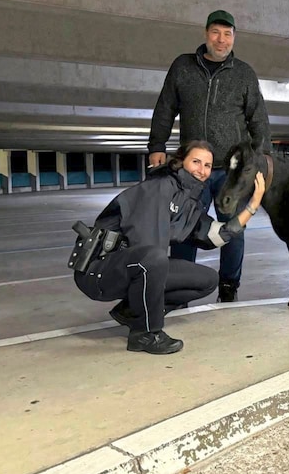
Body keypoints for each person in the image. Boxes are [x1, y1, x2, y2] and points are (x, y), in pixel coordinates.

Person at [71, 141, 265, 354]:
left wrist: (253, 205)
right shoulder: (160, 187)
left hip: (136, 265)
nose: (201, 170)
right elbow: (145, 245)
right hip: (99, 270)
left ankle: (131, 312)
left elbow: (214, 235)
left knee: (206, 280)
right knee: (154, 257)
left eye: (207, 165)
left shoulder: (190, 202)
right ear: (181, 162)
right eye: (196, 162)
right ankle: (145, 334)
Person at [148, 10, 271, 303]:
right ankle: (178, 288)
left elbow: (258, 119)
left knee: (233, 229)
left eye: (228, 34)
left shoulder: (244, 73)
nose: (222, 39)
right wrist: (156, 146)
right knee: (183, 229)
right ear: (206, 34)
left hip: (231, 171)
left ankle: (229, 286)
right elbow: (165, 108)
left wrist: (262, 158)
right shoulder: (183, 67)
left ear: (234, 38)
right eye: (216, 32)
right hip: (192, 170)